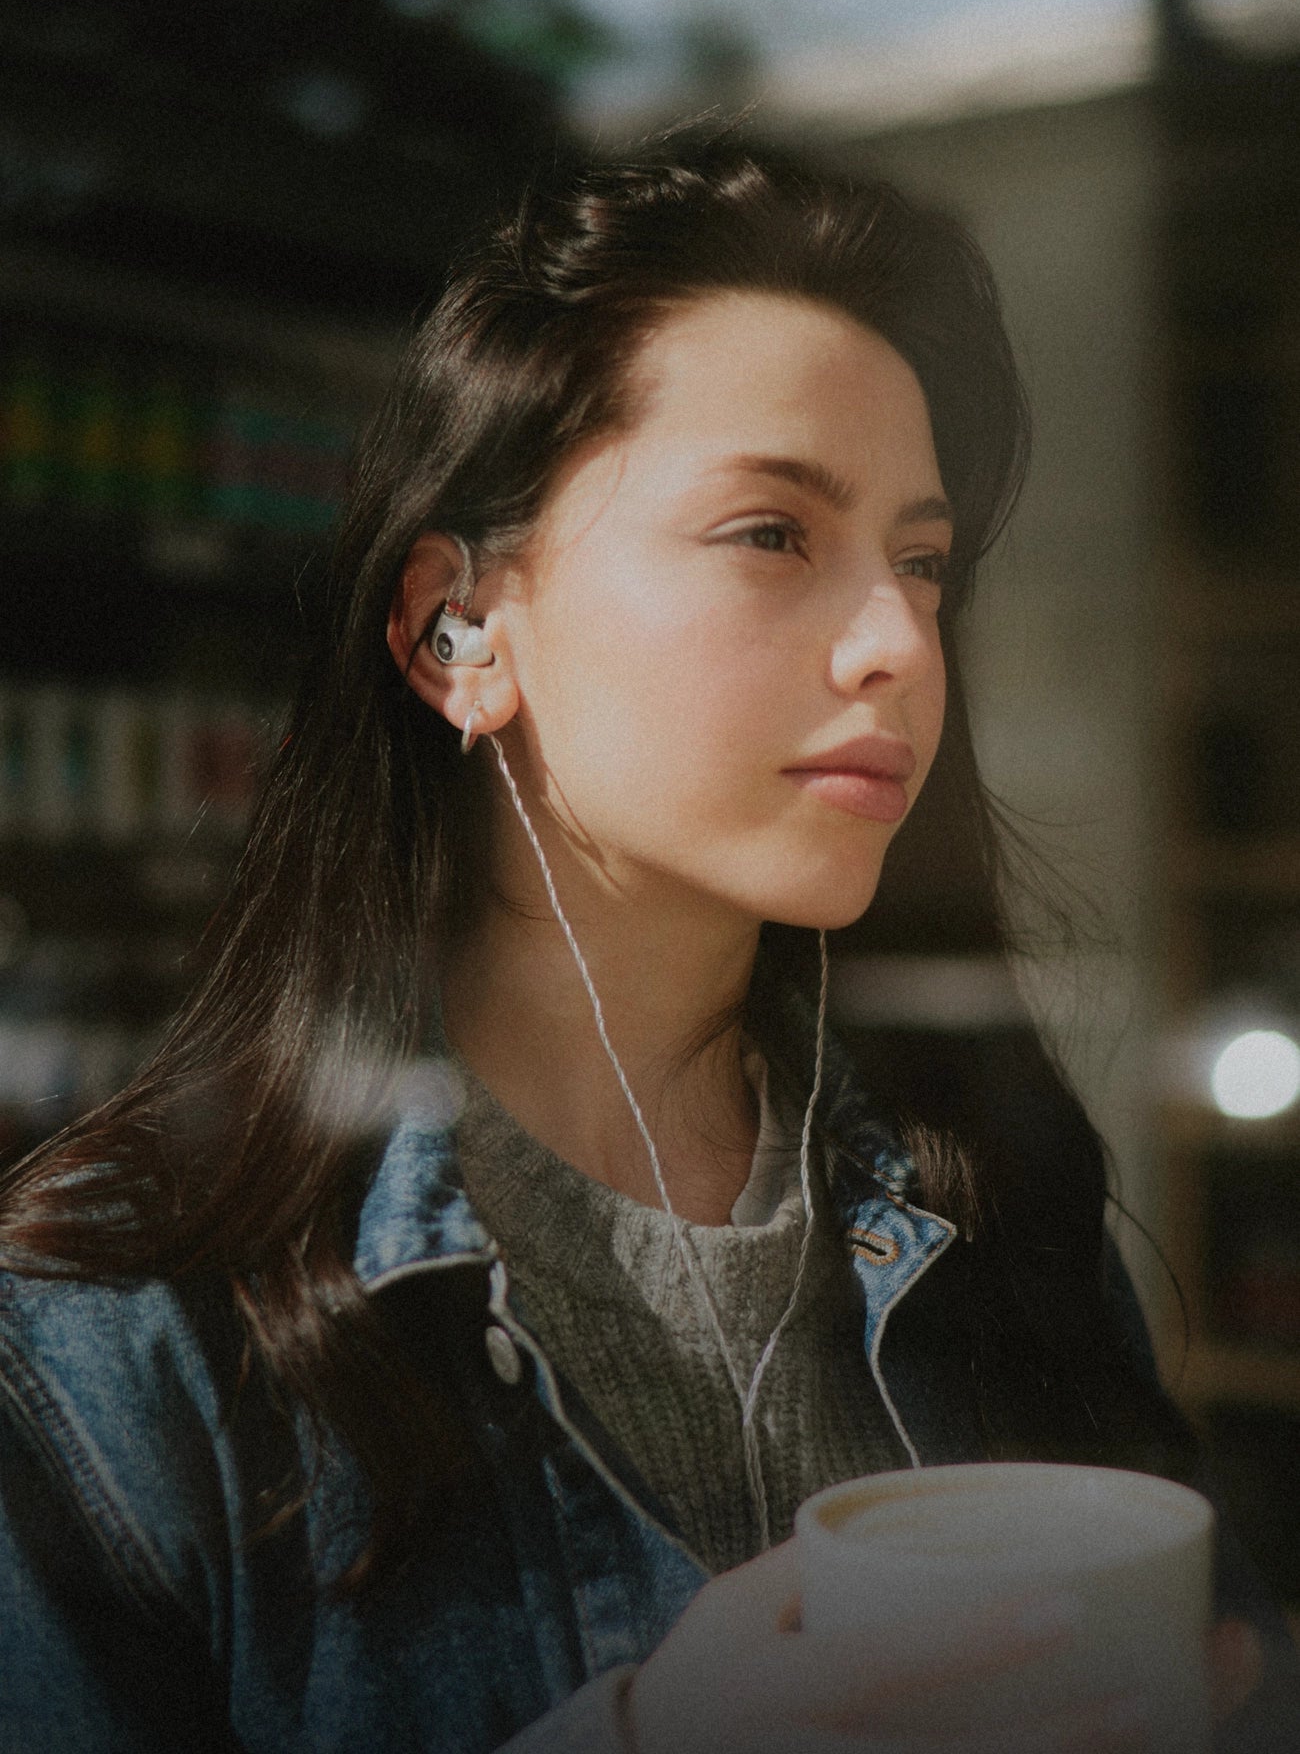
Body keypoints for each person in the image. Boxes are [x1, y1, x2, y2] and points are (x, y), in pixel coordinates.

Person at [0, 137, 1295, 1754]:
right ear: (455, 633)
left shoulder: (990, 1213)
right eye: (772, 533)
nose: (898, 642)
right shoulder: (128, 1334)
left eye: (922, 561)